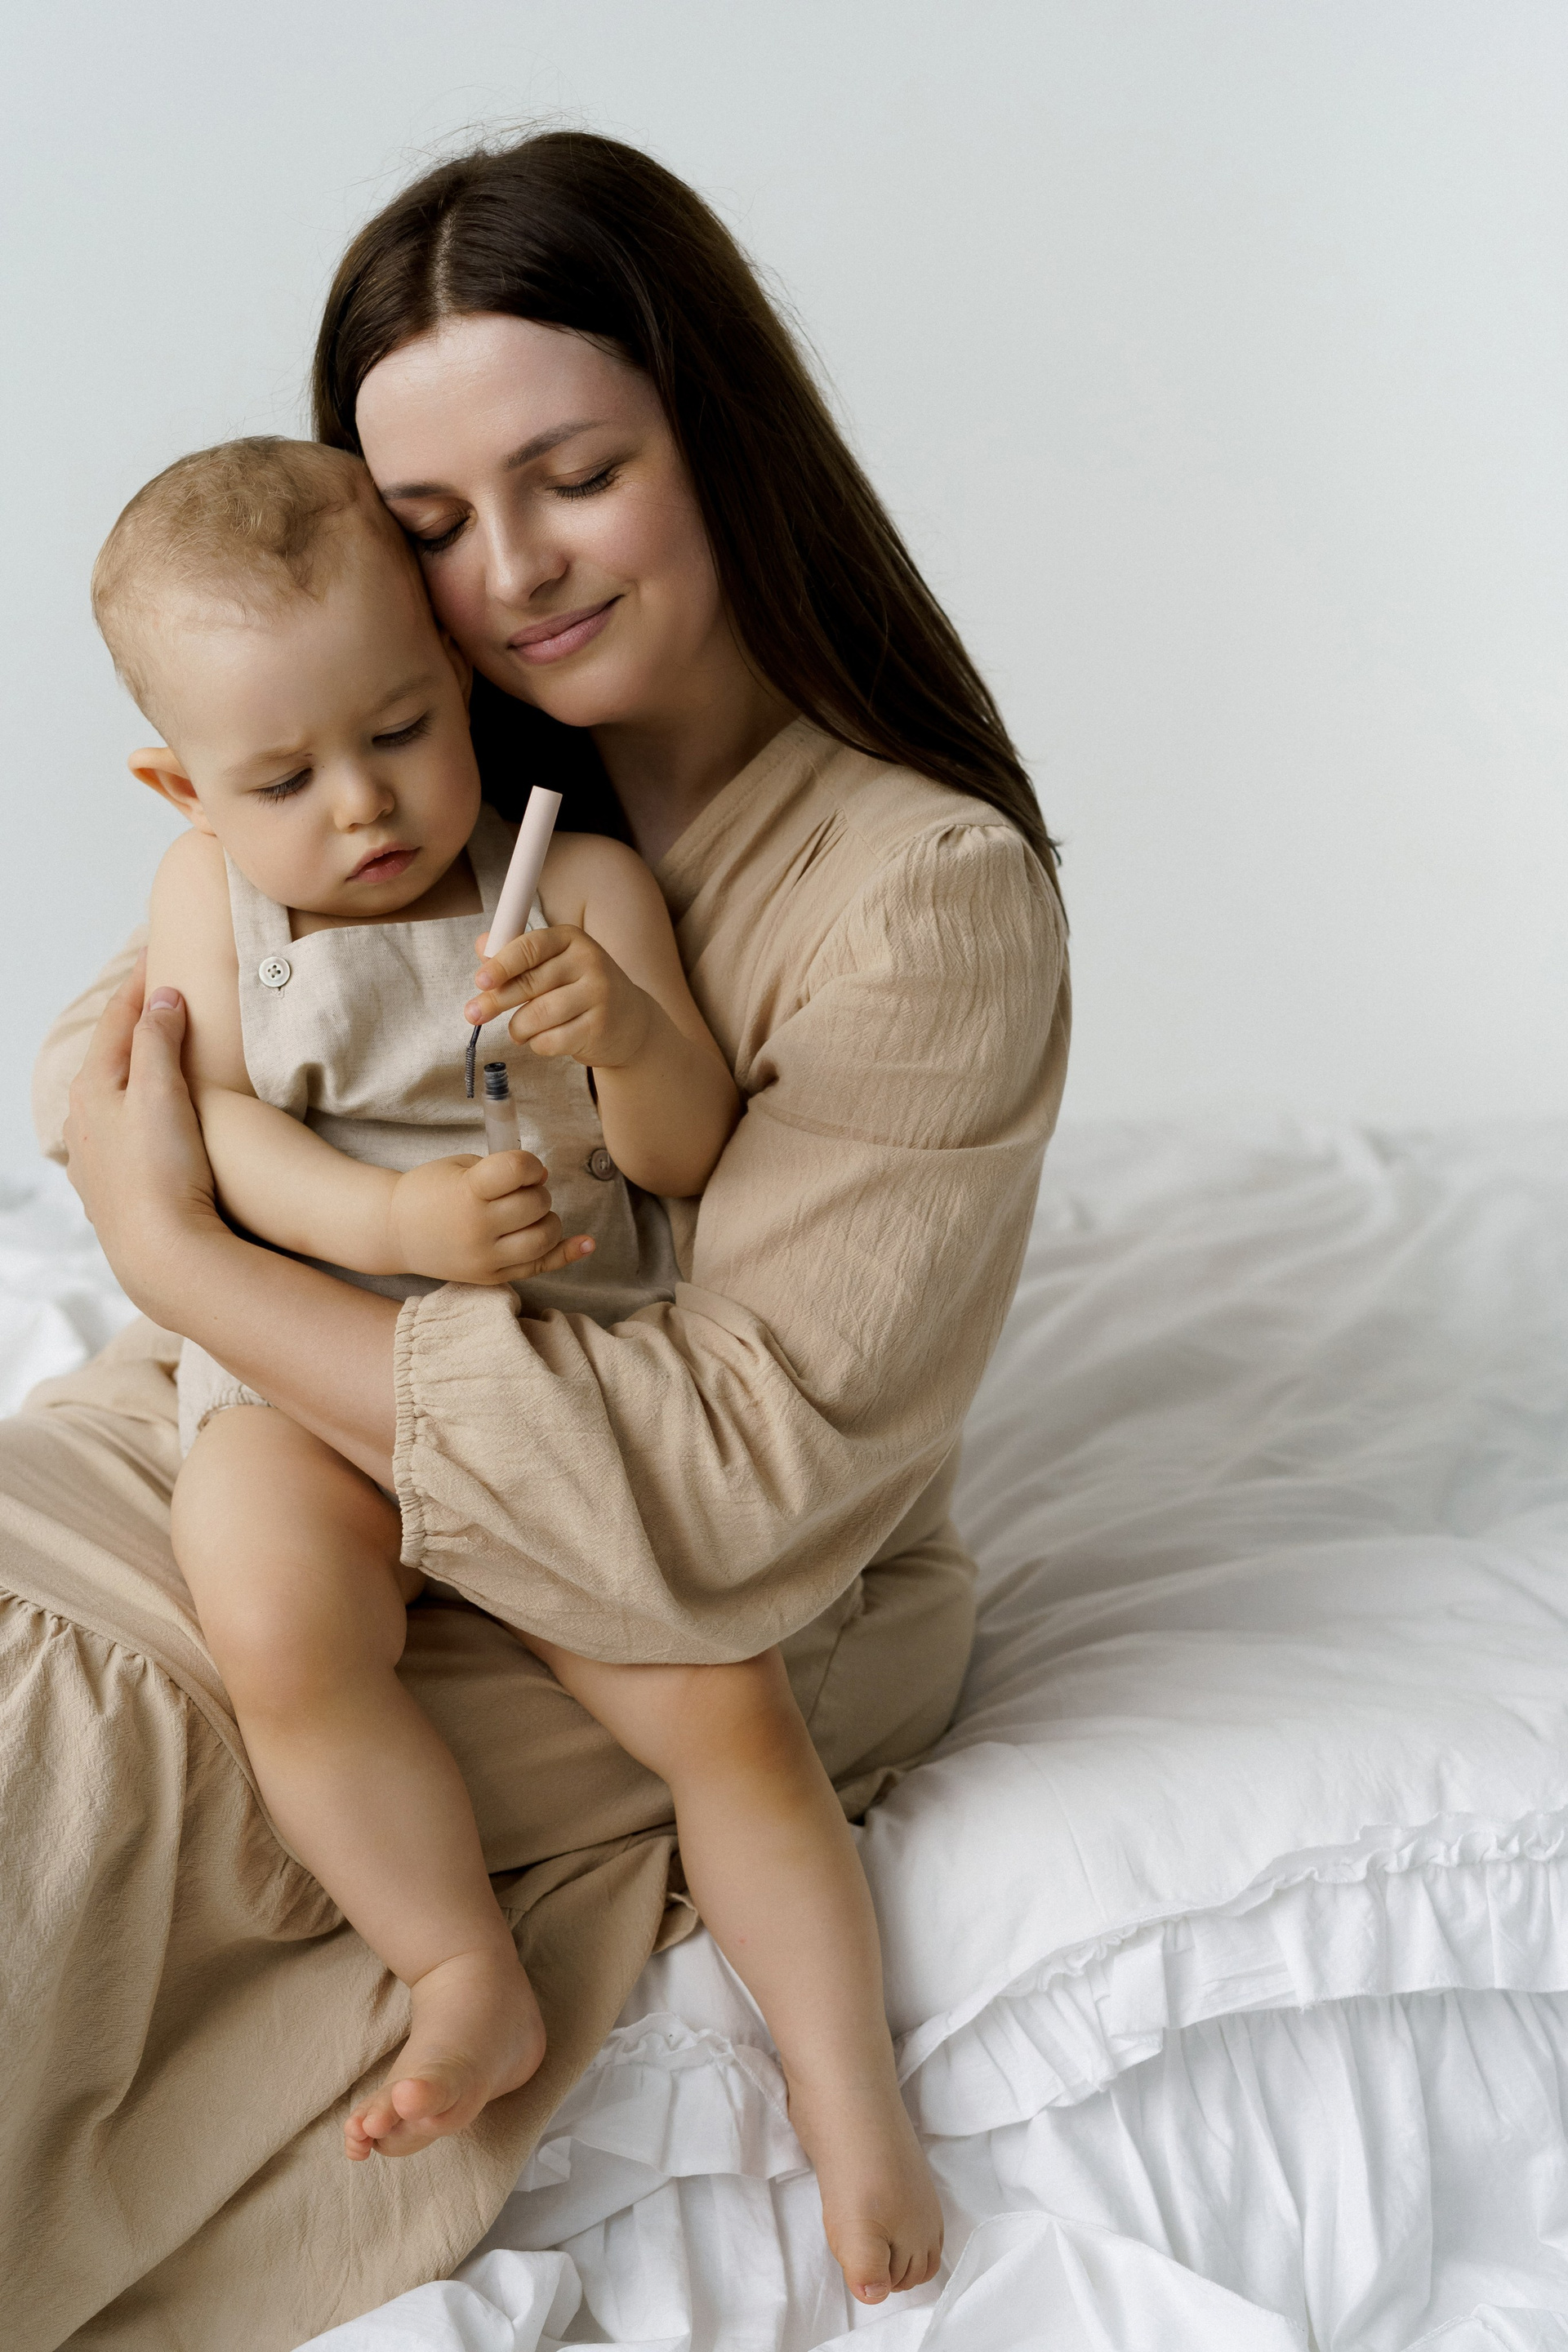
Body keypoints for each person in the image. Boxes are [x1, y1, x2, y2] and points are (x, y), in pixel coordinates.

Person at [7, 131, 1068, 2345]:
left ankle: (773, 2080)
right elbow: (156, 1097)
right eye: (425, 526)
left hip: (627, 1519)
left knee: (95, 1782)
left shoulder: (897, 893)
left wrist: (190, 1265)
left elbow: (737, 1470)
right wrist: (212, 1248)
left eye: (576, 476)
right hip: (293, 1414)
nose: (504, 577)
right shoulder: (360, 780)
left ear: (720, 437)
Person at [91, 427, 943, 2298]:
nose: (362, 806)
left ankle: (851, 2098)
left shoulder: (578, 889)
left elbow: (688, 1157)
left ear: (457, 676)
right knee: (275, 1625)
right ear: (184, 786)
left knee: (727, 1711)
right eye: (282, 778)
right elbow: (210, 1128)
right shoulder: (208, 900)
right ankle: (458, 1965)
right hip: (307, 1365)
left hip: (558, 1374)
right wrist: (387, 1221)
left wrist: (623, 1034)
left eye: (401, 730)